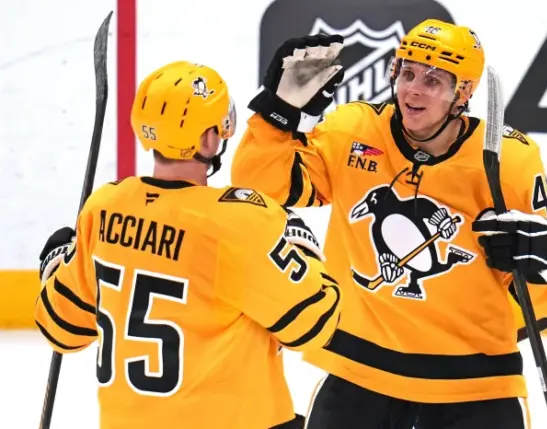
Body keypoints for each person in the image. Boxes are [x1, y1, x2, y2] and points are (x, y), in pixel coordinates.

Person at [230, 19, 547, 428]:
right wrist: (277, 114)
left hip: (475, 386)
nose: (413, 90)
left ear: (463, 93)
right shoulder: (354, 131)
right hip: (359, 373)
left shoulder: (510, 160)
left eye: (433, 80)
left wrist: (544, 259)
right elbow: (261, 186)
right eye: (407, 73)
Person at [35, 60, 342, 429]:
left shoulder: (104, 208)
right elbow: (316, 323)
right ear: (209, 140)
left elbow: (63, 330)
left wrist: (55, 265)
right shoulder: (239, 221)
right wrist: (302, 246)